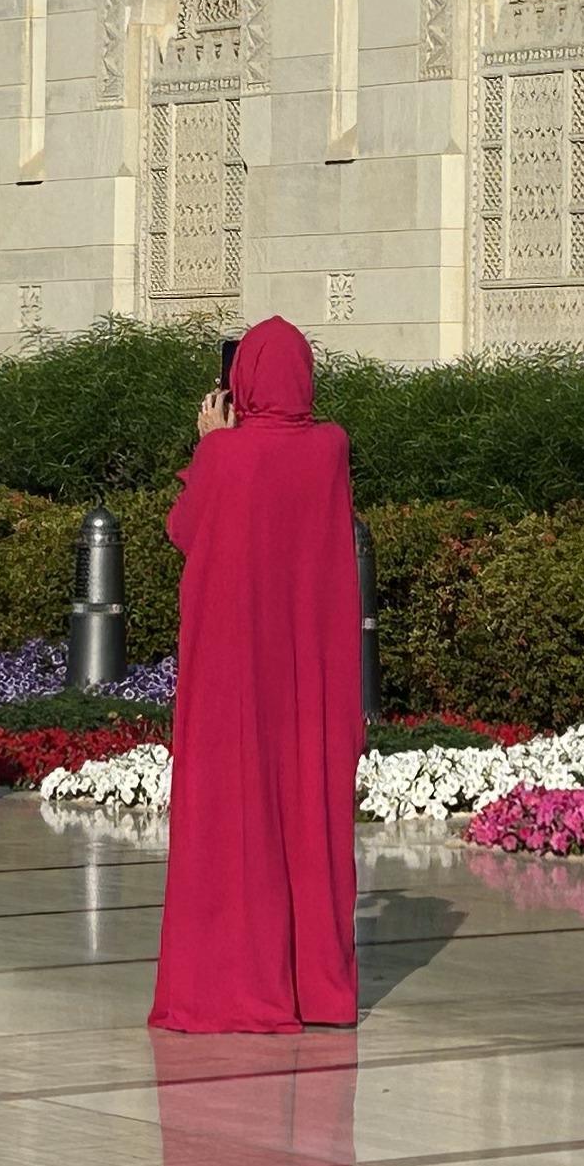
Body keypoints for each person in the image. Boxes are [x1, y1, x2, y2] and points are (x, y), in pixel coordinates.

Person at [150, 316, 363, 1031]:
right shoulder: (332, 449)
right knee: (307, 808)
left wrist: (211, 446)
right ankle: (317, 990)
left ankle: (240, 980)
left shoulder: (227, 458)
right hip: (310, 670)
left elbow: (186, 530)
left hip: (236, 668)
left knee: (237, 813)